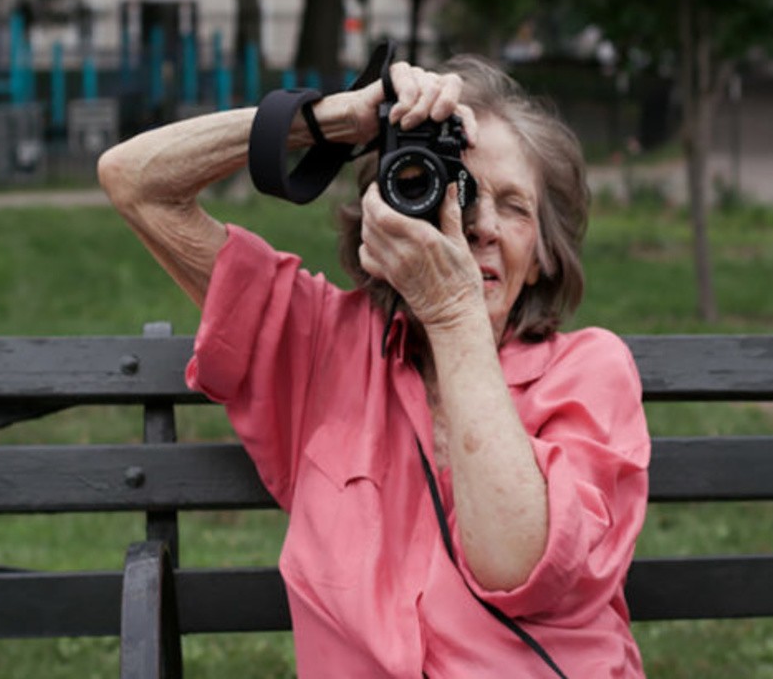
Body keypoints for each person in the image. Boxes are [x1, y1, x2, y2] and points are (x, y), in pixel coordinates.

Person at [97, 54, 650, 677]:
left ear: (546, 253)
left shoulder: (589, 371)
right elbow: (134, 181)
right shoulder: (317, 346)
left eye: (516, 207)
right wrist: (331, 121)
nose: (483, 225)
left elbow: (517, 565)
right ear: (392, 204)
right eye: (455, 189)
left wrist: (451, 312)